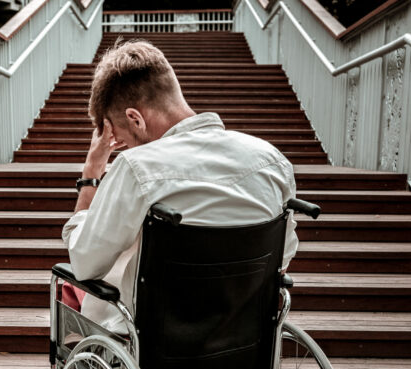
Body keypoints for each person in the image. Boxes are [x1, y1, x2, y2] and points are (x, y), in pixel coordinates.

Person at [62, 40, 298, 334]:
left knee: (69, 287)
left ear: (135, 118)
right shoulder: (272, 161)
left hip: (155, 338)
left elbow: (85, 262)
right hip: (238, 334)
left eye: (124, 139)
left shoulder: (138, 167)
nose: (127, 149)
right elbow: (282, 259)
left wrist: (91, 176)